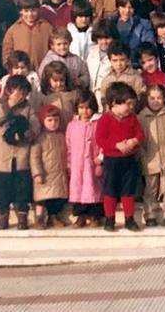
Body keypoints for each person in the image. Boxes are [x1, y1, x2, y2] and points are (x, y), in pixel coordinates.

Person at [0, 75, 40, 230]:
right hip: (3, 157)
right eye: (19, 91)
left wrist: (29, 133)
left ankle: (22, 217)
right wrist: (10, 105)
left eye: (25, 92)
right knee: (3, 189)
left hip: (21, 155)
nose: (22, 96)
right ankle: (3, 215)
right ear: (10, 91)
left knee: (22, 189)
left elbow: (35, 124)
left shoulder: (28, 108)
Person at [96, 82, 145, 231]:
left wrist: (134, 141)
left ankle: (129, 219)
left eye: (132, 104)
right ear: (114, 104)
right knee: (110, 190)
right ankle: (109, 219)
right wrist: (116, 145)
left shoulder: (132, 119)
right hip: (112, 160)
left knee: (128, 190)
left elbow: (140, 134)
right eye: (128, 104)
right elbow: (100, 139)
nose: (131, 108)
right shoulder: (104, 119)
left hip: (128, 160)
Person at [137, 85, 165, 227]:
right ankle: (150, 214)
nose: (155, 101)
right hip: (149, 158)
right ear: (147, 99)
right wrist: (142, 157)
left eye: (159, 98)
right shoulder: (141, 118)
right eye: (152, 98)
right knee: (150, 189)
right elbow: (138, 140)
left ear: (164, 99)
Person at [65, 90, 103, 228]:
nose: (85, 111)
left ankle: (94, 216)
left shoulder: (98, 123)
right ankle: (80, 216)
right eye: (81, 108)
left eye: (88, 108)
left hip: (93, 162)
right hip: (77, 164)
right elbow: (68, 145)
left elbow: (103, 142)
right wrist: (69, 164)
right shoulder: (72, 125)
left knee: (93, 188)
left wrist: (101, 157)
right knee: (78, 188)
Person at [29, 104, 69, 229]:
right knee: (41, 198)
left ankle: (53, 217)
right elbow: (34, 157)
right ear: (43, 121)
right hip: (45, 174)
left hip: (59, 173)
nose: (53, 123)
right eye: (49, 120)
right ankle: (39, 218)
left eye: (56, 120)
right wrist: (37, 173)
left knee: (57, 198)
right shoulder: (40, 138)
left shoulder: (62, 136)